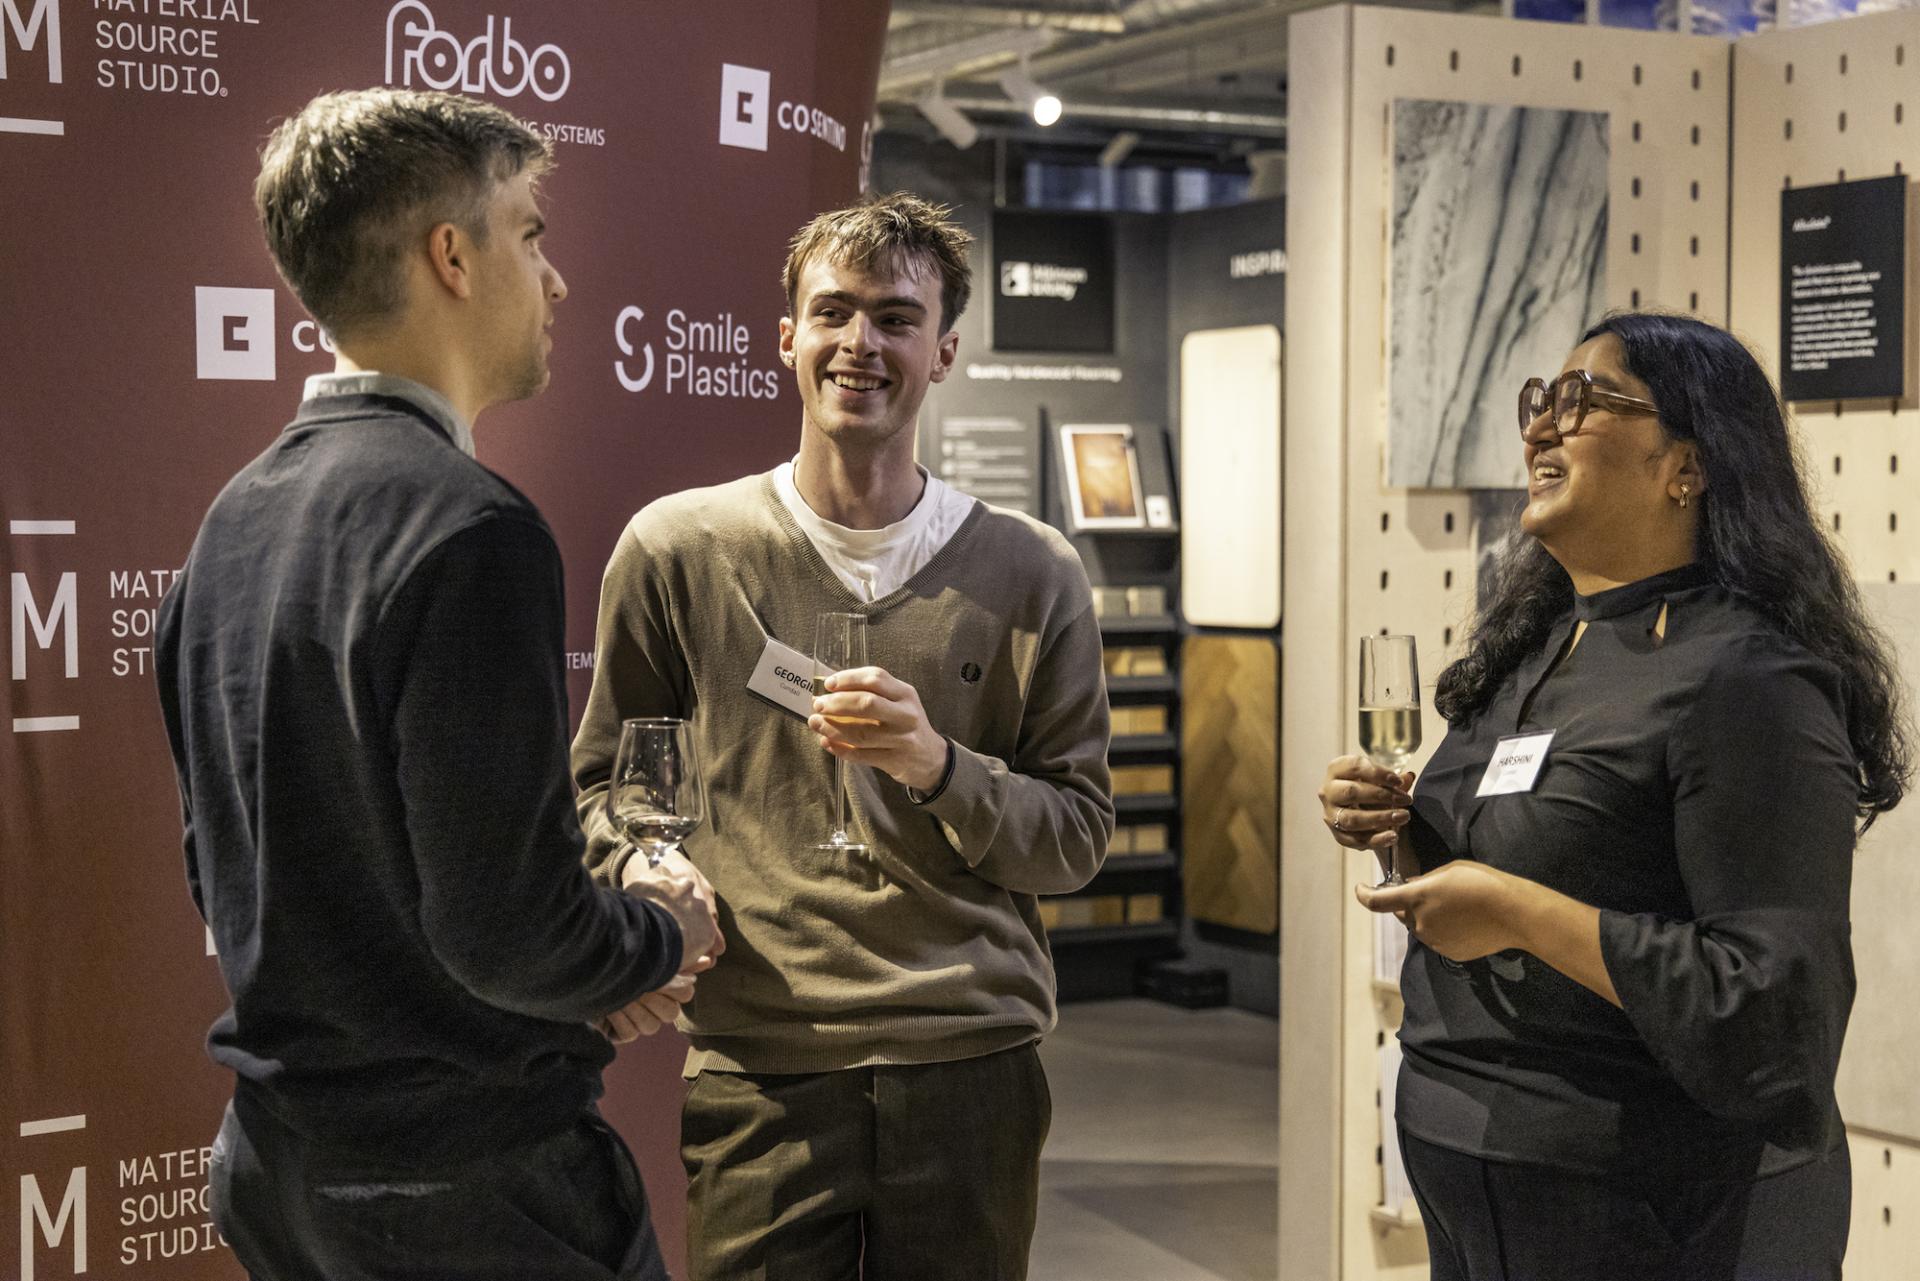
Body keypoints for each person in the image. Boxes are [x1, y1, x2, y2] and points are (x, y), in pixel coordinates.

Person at [154, 87, 722, 1281]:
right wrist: (658, 939)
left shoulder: (231, 523)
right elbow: (506, 934)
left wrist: (579, 965)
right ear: (450, 257)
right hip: (464, 1188)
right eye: (531, 232)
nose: (555, 279)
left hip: (283, 1169)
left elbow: (225, 875)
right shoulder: (471, 530)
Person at [571, 191, 1114, 1281]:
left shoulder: (1034, 570)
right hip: (764, 1064)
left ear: (944, 351)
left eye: (895, 318)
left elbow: (1075, 840)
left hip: (972, 1062)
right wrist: (646, 862)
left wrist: (937, 768)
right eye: (834, 312)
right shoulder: (680, 549)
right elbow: (604, 790)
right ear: (787, 337)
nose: (860, 343)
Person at [1320, 312, 1910, 1280]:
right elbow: (1541, 860)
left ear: (1689, 462)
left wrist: (1519, 912)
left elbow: (1775, 1007)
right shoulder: (1539, 647)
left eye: (1582, 400)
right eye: (1540, 403)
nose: (1542, 428)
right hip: (1482, 1171)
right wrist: (1401, 840)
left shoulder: (1752, 675)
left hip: (1665, 1201)